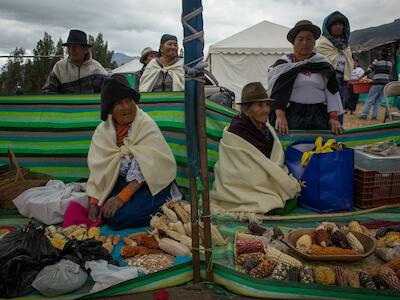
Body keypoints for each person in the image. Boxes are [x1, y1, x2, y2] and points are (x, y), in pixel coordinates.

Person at [86, 74, 182, 230]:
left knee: (122, 217)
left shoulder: (145, 125)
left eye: (128, 101)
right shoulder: (102, 133)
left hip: (149, 182)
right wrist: (94, 202)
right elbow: (99, 170)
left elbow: (149, 165)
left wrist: (121, 198)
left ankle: (170, 204)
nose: (126, 107)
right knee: (104, 212)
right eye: (119, 103)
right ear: (110, 109)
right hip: (120, 181)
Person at [210, 82, 301, 221]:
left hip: (265, 175)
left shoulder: (264, 127)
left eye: (267, 104)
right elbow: (240, 167)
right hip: (241, 184)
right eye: (260, 105)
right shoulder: (237, 130)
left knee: (282, 194)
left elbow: (271, 157)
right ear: (247, 109)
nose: (266, 110)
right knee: (272, 199)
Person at [267, 20, 343, 135]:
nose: (305, 43)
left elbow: (332, 89)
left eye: (309, 39)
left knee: (318, 147)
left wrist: (333, 116)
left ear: (314, 42)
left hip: (319, 115)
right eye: (300, 39)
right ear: (294, 42)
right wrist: (280, 115)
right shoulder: (283, 65)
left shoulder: (322, 63)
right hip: (291, 115)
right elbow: (276, 91)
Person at [315, 11, 353, 124]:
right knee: (326, 108)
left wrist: (348, 77)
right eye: (335, 24)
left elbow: (348, 61)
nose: (339, 26)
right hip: (325, 81)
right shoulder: (322, 44)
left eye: (341, 24)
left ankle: (338, 134)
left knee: (339, 107)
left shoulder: (345, 45)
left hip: (341, 82)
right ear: (328, 27)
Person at [42, 29, 107, 94]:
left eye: (75, 47)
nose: (71, 50)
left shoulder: (97, 70)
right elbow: (48, 92)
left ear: (85, 49)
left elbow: (107, 94)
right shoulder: (59, 68)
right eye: (69, 47)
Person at [359, 49, 393, 120]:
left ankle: (364, 115)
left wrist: (361, 76)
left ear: (381, 54)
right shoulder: (390, 63)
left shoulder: (377, 60)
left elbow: (369, 70)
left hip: (377, 82)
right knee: (378, 100)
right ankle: (374, 116)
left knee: (370, 99)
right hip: (385, 84)